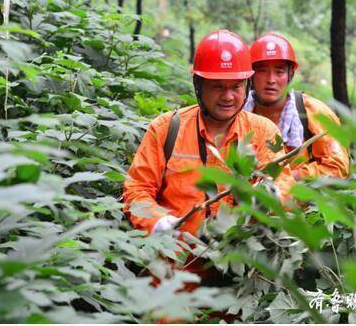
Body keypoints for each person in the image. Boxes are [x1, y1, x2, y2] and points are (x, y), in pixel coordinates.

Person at [123, 29, 295, 239]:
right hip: (174, 262)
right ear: (199, 85)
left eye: (236, 86)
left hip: (237, 261)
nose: (228, 96)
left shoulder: (262, 132)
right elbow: (137, 189)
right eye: (217, 87)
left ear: (246, 85)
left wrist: (271, 197)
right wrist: (157, 221)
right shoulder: (166, 129)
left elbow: (283, 182)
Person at [245, 32, 350, 180]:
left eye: (279, 72)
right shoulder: (238, 115)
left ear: (290, 74)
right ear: (251, 75)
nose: (271, 80)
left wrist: (289, 178)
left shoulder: (314, 112)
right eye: (262, 71)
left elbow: (338, 167)